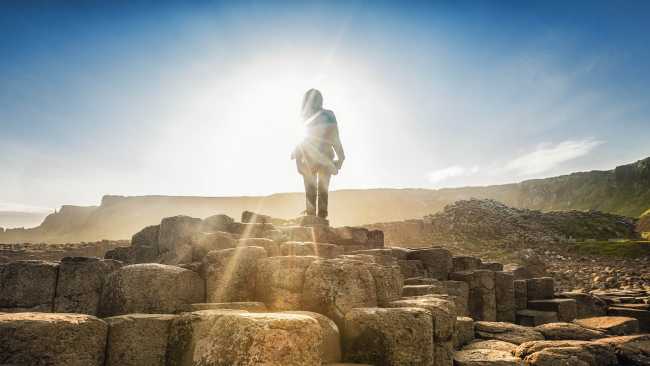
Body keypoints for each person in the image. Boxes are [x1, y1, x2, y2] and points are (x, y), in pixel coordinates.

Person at [291, 89, 345, 219]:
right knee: (321, 190)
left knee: (312, 190)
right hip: (323, 158)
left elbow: (300, 138)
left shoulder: (304, 116)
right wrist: (341, 157)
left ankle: (313, 217)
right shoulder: (328, 114)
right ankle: (320, 217)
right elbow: (335, 137)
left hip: (309, 159)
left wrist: (296, 157)